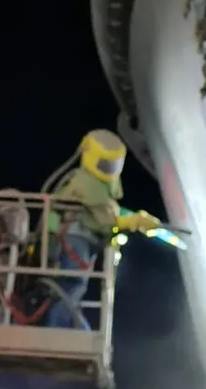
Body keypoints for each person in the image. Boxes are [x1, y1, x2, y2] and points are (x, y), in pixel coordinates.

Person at [45, 129, 162, 329]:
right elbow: (106, 218)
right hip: (75, 238)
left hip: (83, 239)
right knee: (72, 286)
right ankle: (66, 329)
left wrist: (133, 218)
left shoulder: (100, 186)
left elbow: (108, 211)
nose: (109, 170)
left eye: (113, 165)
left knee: (73, 288)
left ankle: (74, 328)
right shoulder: (86, 183)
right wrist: (134, 221)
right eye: (106, 164)